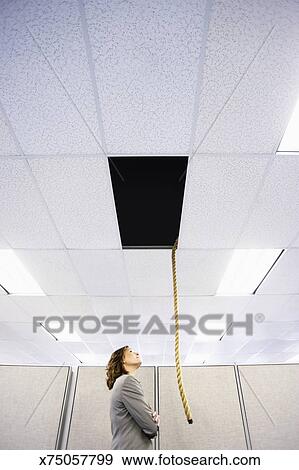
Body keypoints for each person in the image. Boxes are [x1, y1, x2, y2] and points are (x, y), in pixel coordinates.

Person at [106, 345, 160, 450]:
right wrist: (155, 423)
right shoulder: (127, 382)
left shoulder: (121, 382)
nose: (137, 353)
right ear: (123, 360)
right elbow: (151, 428)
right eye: (131, 351)